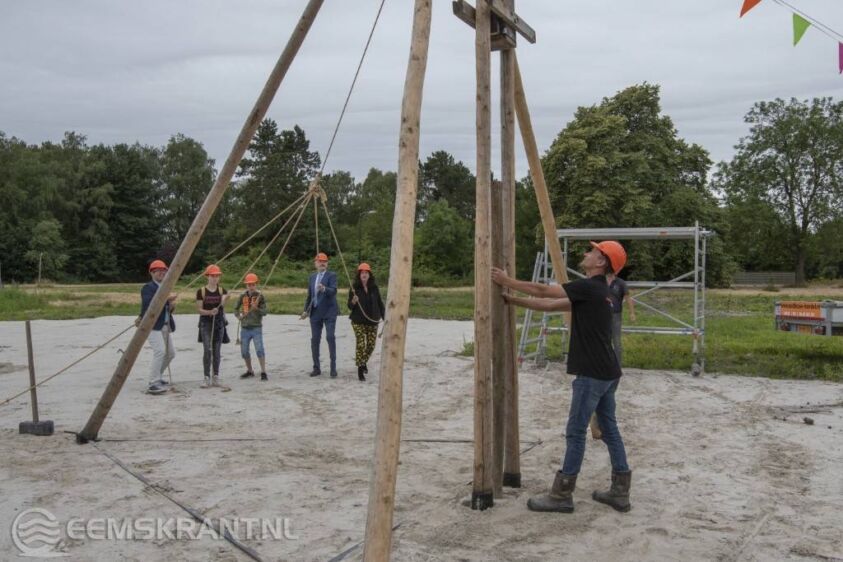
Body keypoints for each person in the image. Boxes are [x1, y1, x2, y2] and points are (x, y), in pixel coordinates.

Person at [492, 240, 632, 514]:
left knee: (576, 432)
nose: (586, 253)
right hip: (609, 373)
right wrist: (513, 300)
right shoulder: (602, 292)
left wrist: (506, 281)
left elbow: (544, 290)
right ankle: (620, 491)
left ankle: (561, 495)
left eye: (593, 252)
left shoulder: (590, 287)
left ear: (601, 262)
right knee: (610, 429)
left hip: (592, 375)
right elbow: (551, 305)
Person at [139, 259, 178, 395]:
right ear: (152, 273)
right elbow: (149, 304)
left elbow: (165, 309)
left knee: (170, 353)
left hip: (165, 325)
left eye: (163, 271)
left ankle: (158, 376)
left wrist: (171, 306)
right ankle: (153, 383)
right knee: (160, 351)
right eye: (158, 271)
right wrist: (167, 299)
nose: (161, 273)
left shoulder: (165, 287)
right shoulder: (148, 288)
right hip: (152, 325)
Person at [301, 252, 338, 378]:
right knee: (315, 340)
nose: (322, 263)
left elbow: (333, 291)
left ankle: (333, 368)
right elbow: (310, 296)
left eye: (325, 261)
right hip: (315, 312)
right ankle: (316, 368)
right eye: (320, 261)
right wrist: (305, 310)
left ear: (327, 263)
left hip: (329, 312)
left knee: (330, 337)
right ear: (315, 263)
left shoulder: (331, 275)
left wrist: (324, 289)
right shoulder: (312, 277)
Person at [347, 263, 385, 381]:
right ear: (359, 275)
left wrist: (385, 317)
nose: (364, 275)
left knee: (371, 345)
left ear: (369, 275)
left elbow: (380, 303)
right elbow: (349, 306)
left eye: (366, 273)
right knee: (360, 343)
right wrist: (353, 301)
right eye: (362, 273)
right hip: (358, 320)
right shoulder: (354, 288)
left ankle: (363, 362)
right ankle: (360, 369)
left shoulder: (374, 288)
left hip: (372, 320)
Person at [196, 264, 229, 388]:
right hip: (206, 324)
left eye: (217, 276)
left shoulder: (222, 290)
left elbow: (223, 305)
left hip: (219, 324)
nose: (215, 278)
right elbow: (199, 310)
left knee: (217, 351)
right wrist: (210, 312)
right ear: (207, 276)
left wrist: (225, 299)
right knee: (207, 350)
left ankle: (216, 376)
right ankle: (206, 377)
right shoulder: (201, 291)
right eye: (212, 276)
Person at [235, 272, 268, 381]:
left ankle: (263, 372)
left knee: (259, 349)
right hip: (244, 327)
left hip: (256, 327)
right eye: (249, 284)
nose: (251, 286)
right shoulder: (242, 296)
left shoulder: (260, 296)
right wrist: (238, 316)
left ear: (256, 284)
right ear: (246, 285)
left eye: (253, 284)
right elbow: (235, 308)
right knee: (244, 351)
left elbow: (265, 312)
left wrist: (256, 308)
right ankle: (250, 371)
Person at [607, 272, 636, 366]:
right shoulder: (600, 281)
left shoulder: (621, 283)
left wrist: (632, 313)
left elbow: (628, 298)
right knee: (603, 341)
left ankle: (617, 366)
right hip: (602, 315)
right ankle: (604, 365)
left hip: (616, 315)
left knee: (616, 341)